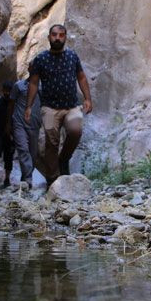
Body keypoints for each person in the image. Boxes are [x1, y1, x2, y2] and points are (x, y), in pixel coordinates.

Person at [24, 23, 92, 186]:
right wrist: (28, 106)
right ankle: (53, 179)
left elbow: (81, 77)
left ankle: (64, 159)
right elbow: (33, 83)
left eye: (61, 35)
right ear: (49, 37)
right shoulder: (40, 59)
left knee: (75, 131)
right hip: (49, 107)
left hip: (71, 106)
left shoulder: (72, 56)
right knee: (51, 142)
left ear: (65, 38)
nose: (57, 38)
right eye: (54, 35)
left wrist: (87, 98)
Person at [7, 62, 41, 190]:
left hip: (34, 124)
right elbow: (11, 105)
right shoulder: (18, 86)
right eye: (33, 67)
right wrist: (8, 123)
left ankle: (25, 179)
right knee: (23, 149)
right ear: (29, 68)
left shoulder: (41, 88)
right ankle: (28, 179)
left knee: (32, 154)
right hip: (19, 123)